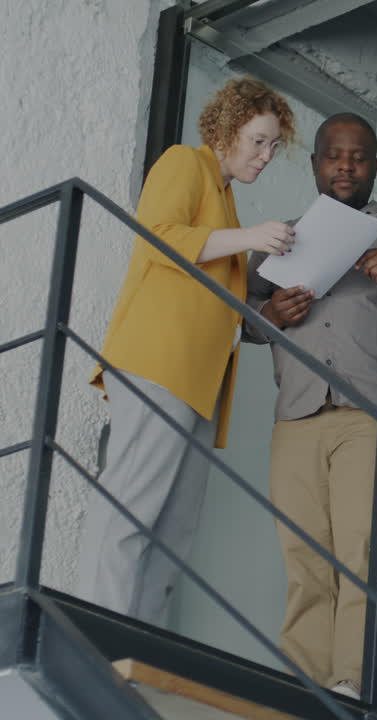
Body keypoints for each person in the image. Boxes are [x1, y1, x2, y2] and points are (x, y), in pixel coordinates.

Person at [244, 112, 377, 699]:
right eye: (333, 155)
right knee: (303, 552)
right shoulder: (281, 236)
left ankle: (349, 683)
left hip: (374, 413)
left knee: (362, 551)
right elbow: (239, 315)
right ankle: (302, 685)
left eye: (358, 156)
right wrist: (269, 318)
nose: (345, 165)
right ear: (315, 163)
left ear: (374, 167)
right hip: (297, 415)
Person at [77, 77, 297, 625]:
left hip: (201, 383)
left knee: (173, 528)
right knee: (131, 506)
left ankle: (140, 649)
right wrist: (251, 240)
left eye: (273, 145)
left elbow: (219, 302)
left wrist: (271, 303)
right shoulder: (184, 162)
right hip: (161, 365)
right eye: (258, 141)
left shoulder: (225, 199)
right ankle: (98, 636)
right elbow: (157, 234)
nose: (266, 156)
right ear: (226, 130)